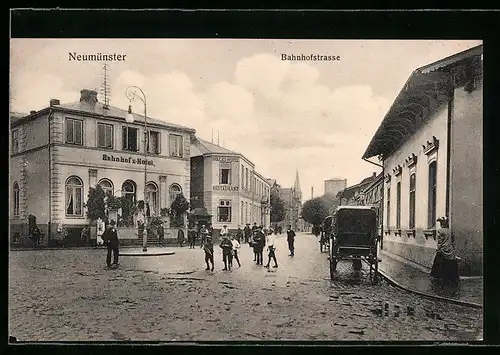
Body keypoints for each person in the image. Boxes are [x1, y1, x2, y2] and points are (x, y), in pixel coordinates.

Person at [430, 217, 459, 283]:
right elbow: (452, 240)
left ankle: (439, 276)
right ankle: (451, 276)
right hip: (450, 248)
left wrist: (438, 247)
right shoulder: (449, 230)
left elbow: (440, 241)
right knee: (450, 263)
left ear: (441, 224)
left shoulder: (440, 231)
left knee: (439, 262)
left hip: (443, 248)